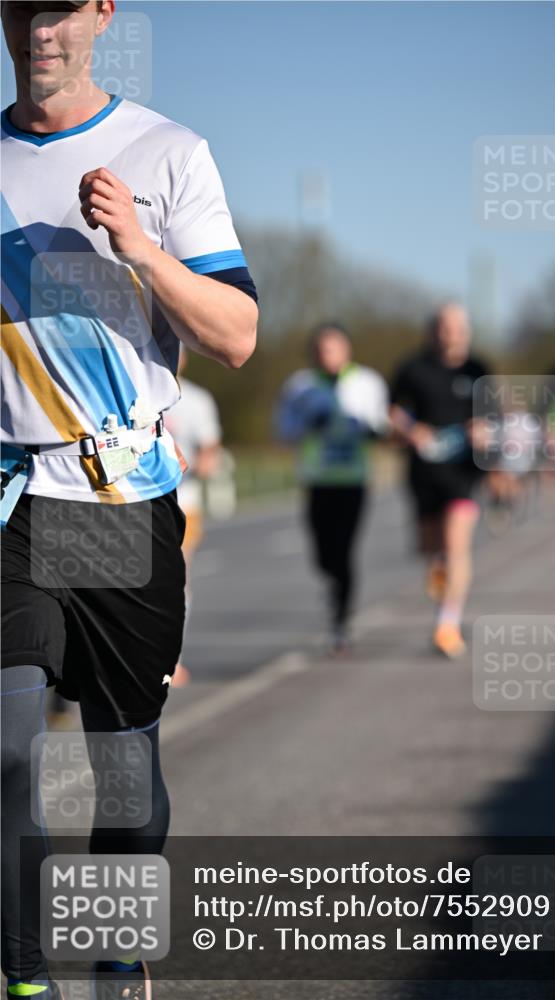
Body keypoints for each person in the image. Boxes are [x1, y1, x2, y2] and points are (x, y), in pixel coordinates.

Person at [0, 3, 258, 998]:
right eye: (19, 7)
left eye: (60, 7)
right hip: (13, 494)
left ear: (104, 10)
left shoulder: (166, 152)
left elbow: (234, 333)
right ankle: (25, 978)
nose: (38, 29)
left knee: (124, 771)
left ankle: (117, 962)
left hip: (119, 499)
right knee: (8, 750)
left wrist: (142, 249)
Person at [275, 323, 388, 653]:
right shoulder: (300, 386)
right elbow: (282, 429)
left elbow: (382, 425)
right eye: (321, 349)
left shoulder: (367, 382)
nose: (327, 355)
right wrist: (308, 424)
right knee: (323, 556)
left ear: (347, 349)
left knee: (344, 549)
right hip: (317, 479)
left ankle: (341, 619)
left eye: (333, 348)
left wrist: (367, 428)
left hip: (353, 480)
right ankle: (337, 588)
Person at [389, 303, 488, 658]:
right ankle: (441, 590)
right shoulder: (412, 369)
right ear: (433, 331)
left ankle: (448, 623)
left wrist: (484, 430)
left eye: (457, 326)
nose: (451, 333)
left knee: (456, 544)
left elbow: (495, 415)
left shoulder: (478, 369)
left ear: (467, 330)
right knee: (432, 551)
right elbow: (392, 412)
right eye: (444, 327)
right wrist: (410, 430)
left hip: (463, 472)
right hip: (424, 470)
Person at [163, 347, 224, 688]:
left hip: (183, 503)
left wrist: (200, 463)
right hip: (135, 502)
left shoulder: (198, 400)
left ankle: (173, 658)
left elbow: (210, 449)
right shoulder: (133, 387)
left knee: (176, 578)